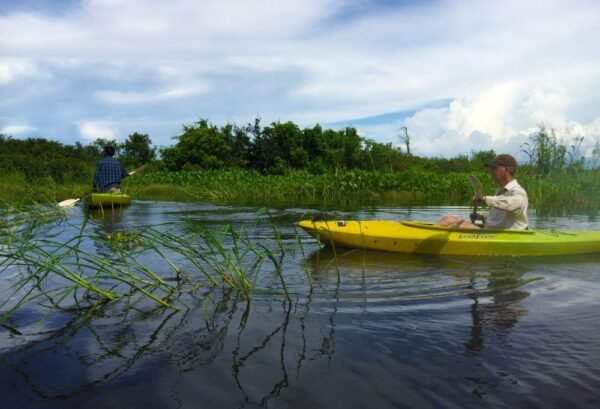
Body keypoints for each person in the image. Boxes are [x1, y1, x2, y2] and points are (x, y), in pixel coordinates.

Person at [437, 154, 528, 230]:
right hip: (490, 233)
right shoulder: (500, 192)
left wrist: (485, 199)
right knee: (447, 219)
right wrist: (483, 218)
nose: (491, 171)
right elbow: (498, 220)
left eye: (494, 168)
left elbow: (513, 204)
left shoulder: (518, 192)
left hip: (505, 236)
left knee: (455, 226)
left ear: (507, 169)